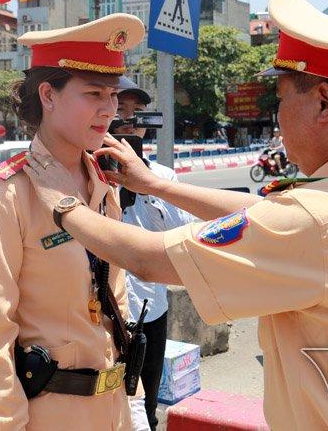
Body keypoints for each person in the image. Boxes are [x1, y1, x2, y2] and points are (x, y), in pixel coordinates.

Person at [23, 0, 328, 430]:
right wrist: (154, 185)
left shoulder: (322, 223)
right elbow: (271, 212)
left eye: (281, 99)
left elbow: (150, 259)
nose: (277, 117)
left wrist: (61, 203)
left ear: (324, 102)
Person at [0, 13, 147, 430]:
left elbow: (111, 303)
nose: (109, 109)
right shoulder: (4, 196)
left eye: (113, 95)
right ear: (48, 95)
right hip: (48, 416)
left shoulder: (104, 182)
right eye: (93, 93)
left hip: (113, 409)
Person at [113, 76, 194, 431]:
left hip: (152, 309)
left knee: (146, 403)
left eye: (138, 112)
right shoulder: (85, 173)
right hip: (108, 314)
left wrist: (144, 186)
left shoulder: (162, 178)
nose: (131, 120)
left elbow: (178, 235)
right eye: (121, 110)